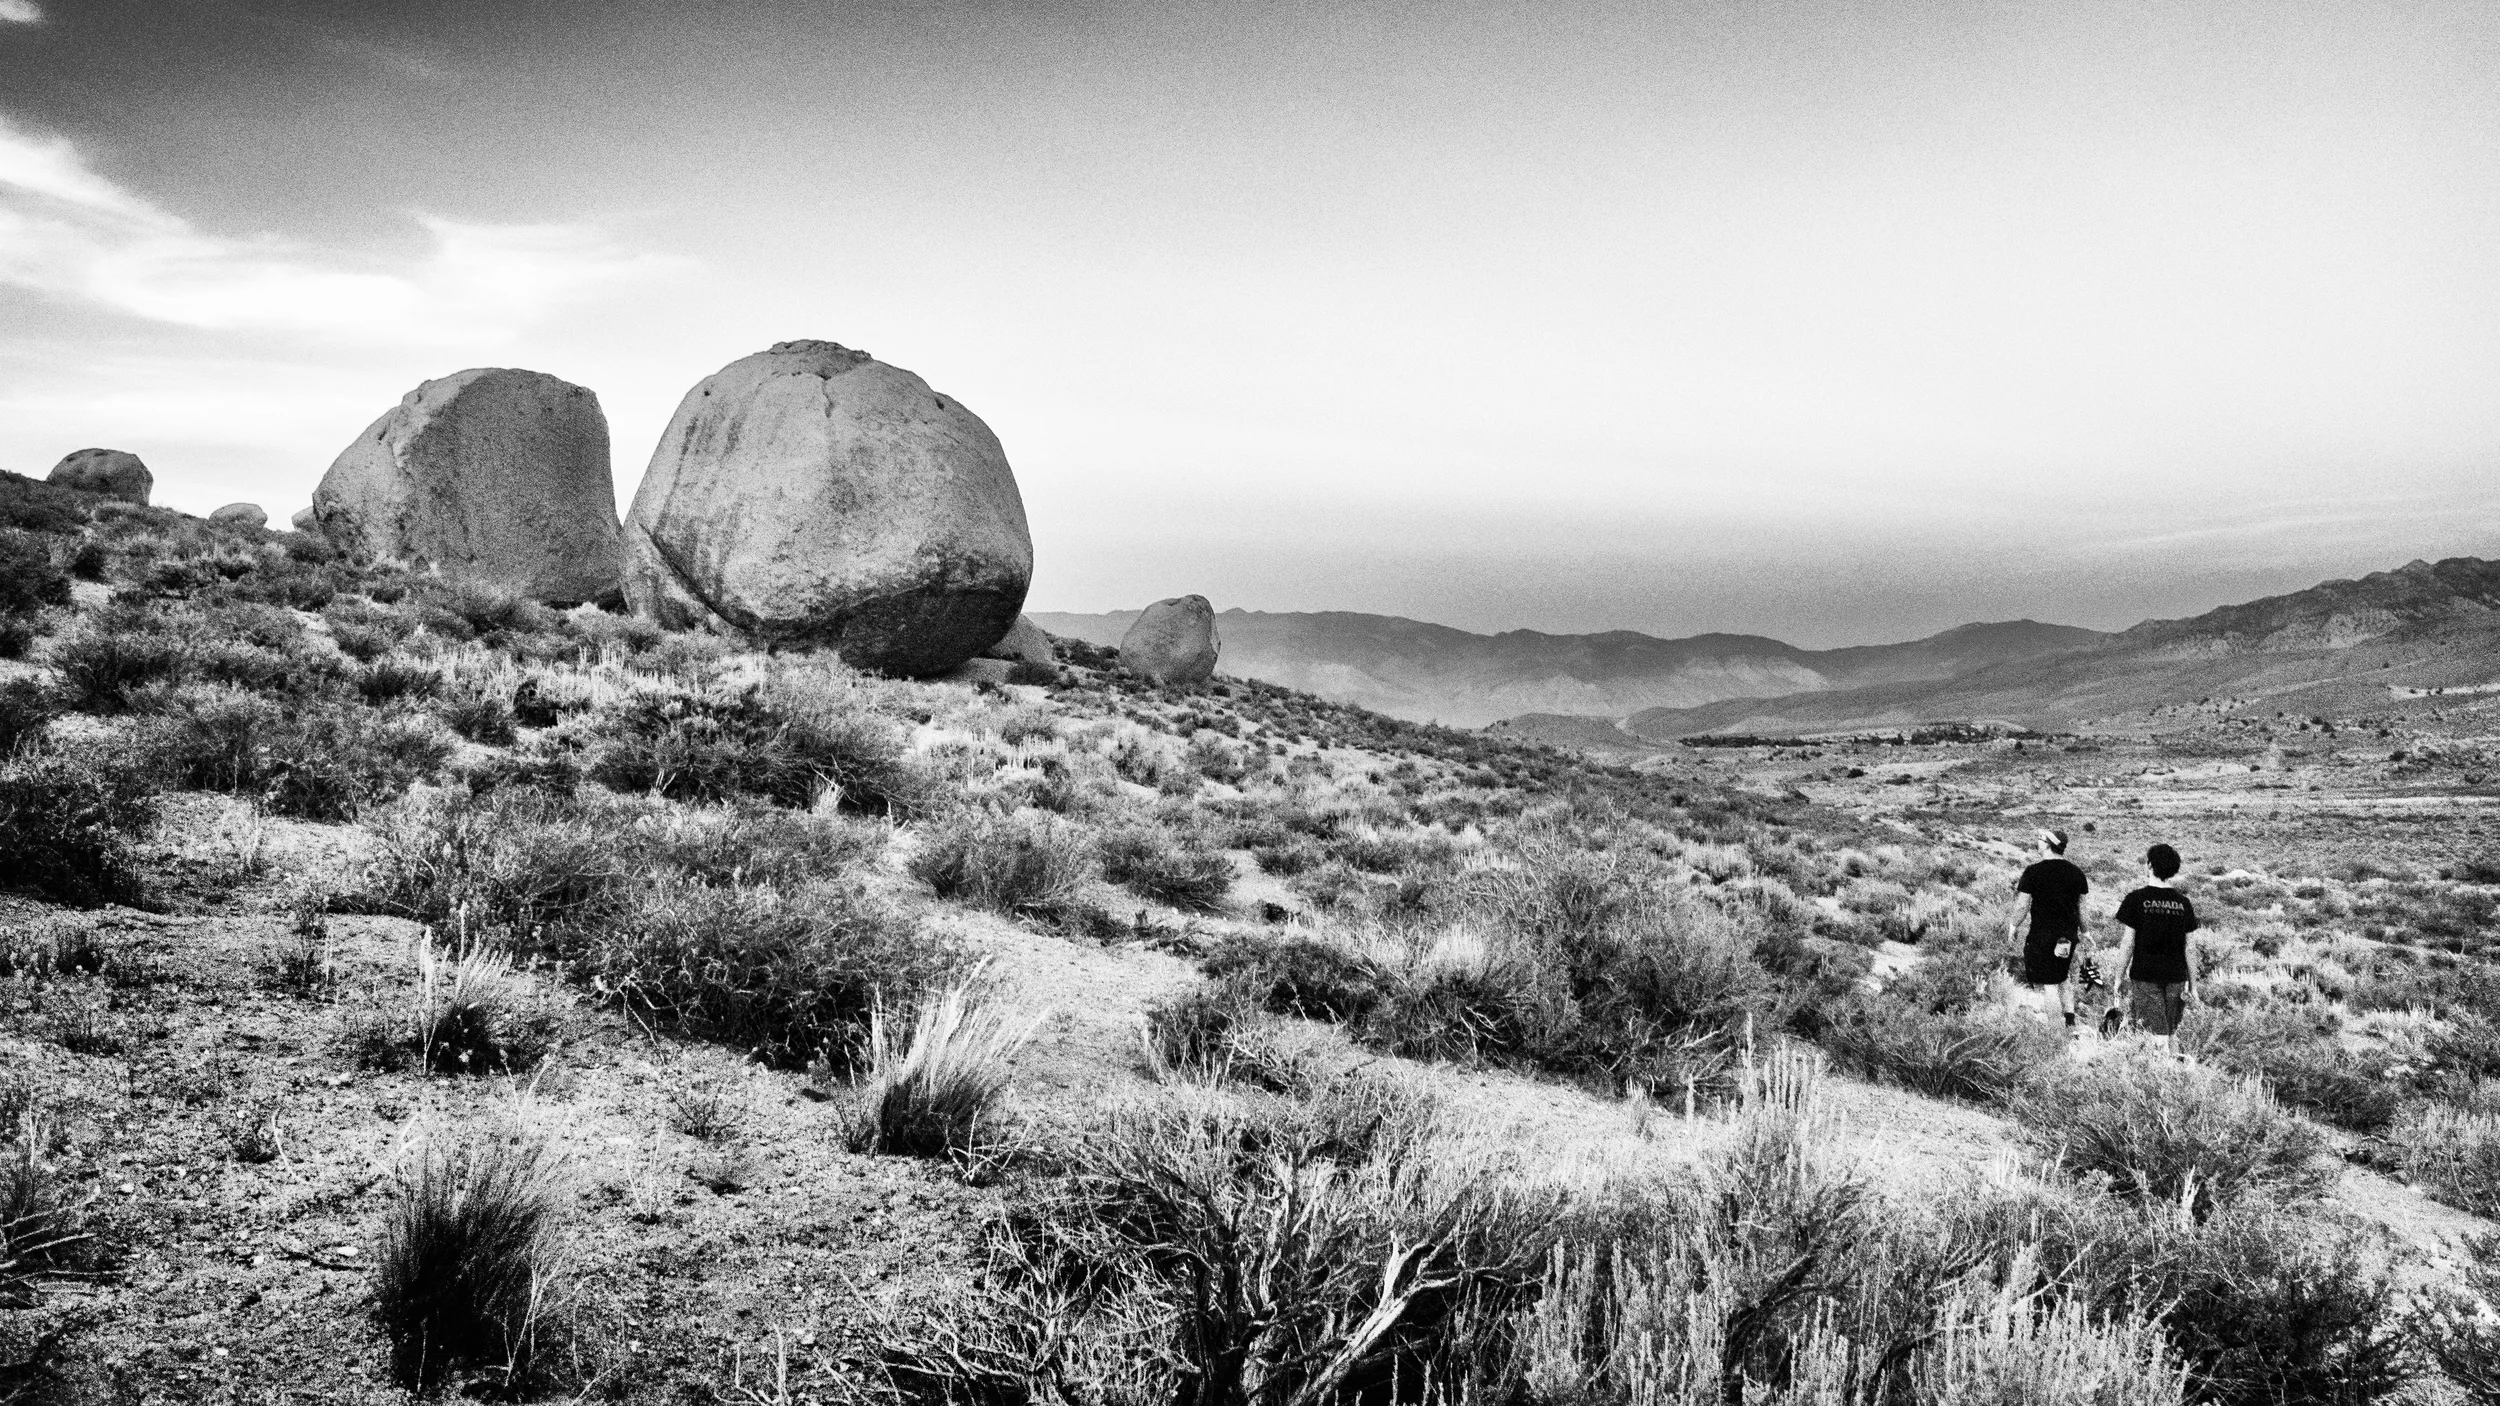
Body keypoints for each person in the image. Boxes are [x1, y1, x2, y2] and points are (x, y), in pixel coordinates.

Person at [2112, 843, 2201, 1057]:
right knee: (2170, 1032)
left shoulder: (2136, 899)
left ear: (2149, 865)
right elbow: (2190, 948)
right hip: (2176, 977)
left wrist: (2118, 975)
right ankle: (2175, 1076)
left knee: (2154, 1034)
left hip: (2145, 975)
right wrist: (2194, 985)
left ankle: (2160, 1077)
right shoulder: (2183, 903)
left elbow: (2128, 943)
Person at [2008, 828, 2090, 1033]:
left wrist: (2013, 925)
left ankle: (2055, 1032)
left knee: (2049, 984)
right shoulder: (2077, 873)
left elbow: (2022, 905)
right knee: (2062, 976)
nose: (2037, 842)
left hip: (2042, 938)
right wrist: (2086, 931)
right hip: (2067, 939)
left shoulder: (2033, 872)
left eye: (2040, 839)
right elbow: (2082, 908)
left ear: (2047, 844)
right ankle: (2070, 1023)